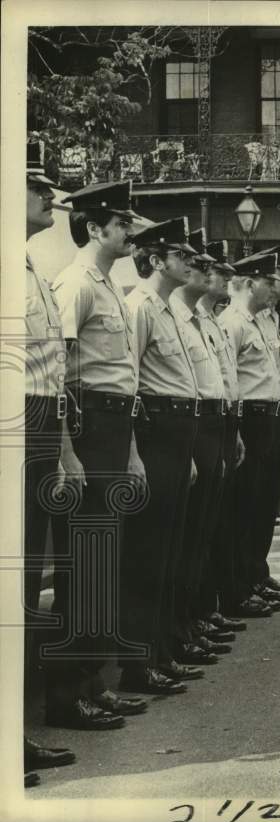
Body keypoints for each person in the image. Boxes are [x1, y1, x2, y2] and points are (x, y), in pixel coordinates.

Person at [50, 180, 144, 730]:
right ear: (94, 228)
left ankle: (93, 684)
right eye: (123, 221)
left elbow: (125, 380)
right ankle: (66, 697)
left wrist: (129, 449)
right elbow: (59, 373)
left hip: (112, 429)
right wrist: (67, 452)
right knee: (81, 564)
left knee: (101, 562)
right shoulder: (77, 286)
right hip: (86, 430)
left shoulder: (107, 284)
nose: (131, 230)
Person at [121, 217, 203, 692]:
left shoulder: (166, 307)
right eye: (180, 255)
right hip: (155, 430)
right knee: (148, 554)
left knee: (169, 552)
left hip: (178, 433)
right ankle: (139, 662)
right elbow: (130, 384)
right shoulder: (141, 308)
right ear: (156, 260)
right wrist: (135, 451)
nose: (188, 262)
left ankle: (160, 651)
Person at [23, 140, 79, 781]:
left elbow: (52, 368)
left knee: (27, 581)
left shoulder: (32, 265)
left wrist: (58, 444)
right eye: (35, 185)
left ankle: (20, 732)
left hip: (40, 421)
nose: (48, 195)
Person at [166, 228, 233, 669]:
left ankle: (189, 622)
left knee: (197, 535)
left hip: (209, 421)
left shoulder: (196, 319)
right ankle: (174, 632)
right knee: (175, 542)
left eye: (206, 265)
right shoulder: (162, 311)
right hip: (176, 424)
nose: (205, 271)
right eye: (198, 263)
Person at [219, 253, 280, 617]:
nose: (272, 286)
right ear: (247, 283)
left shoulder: (255, 321)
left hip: (266, 416)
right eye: (266, 279)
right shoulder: (233, 322)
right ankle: (239, 588)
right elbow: (228, 377)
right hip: (248, 418)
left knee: (260, 504)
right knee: (243, 508)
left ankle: (252, 578)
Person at [195, 240, 248, 634]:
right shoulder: (191, 316)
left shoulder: (211, 319)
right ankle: (192, 618)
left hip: (224, 419)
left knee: (212, 526)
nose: (225, 276)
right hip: (194, 423)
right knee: (194, 532)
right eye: (216, 270)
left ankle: (204, 611)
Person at [251, 249, 280, 597]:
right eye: (277, 276)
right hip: (256, 408)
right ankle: (248, 576)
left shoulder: (270, 317)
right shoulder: (247, 317)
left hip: (277, 400)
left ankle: (259, 571)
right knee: (253, 497)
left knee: (269, 498)